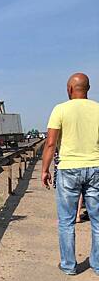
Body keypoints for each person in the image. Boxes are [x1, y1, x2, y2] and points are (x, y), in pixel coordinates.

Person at [41, 73, 99, 276]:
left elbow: (50, 143)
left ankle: (69, 265)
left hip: (68, 169)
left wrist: (44, 170)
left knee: (66, 221)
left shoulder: (60, 109)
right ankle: (97, 264)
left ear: (69, 89)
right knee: (97, 220)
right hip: (96, 168)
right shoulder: (98, 109)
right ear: (88, 89)